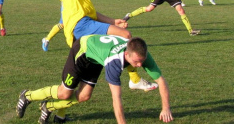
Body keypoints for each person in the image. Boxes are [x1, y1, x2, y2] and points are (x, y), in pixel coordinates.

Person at [48, 0, 158, 122]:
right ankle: (134, 79)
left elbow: (92, 13)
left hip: (87, 25)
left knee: (79, 90)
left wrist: (113, 21)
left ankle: (59, 114)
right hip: (80, 26)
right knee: (126, 35)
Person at [16, 35, 174, 124]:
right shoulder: (114, 62)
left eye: (142, 61)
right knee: (64, 93)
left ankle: (49, 106)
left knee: (84, 96)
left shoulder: (141, 54)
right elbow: (116, 99)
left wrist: (166, 108)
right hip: (83, 52)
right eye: (136, 62)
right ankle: (27, 95)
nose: (139, 65)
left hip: (97, 58)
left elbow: (161, 81)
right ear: (127, 54)